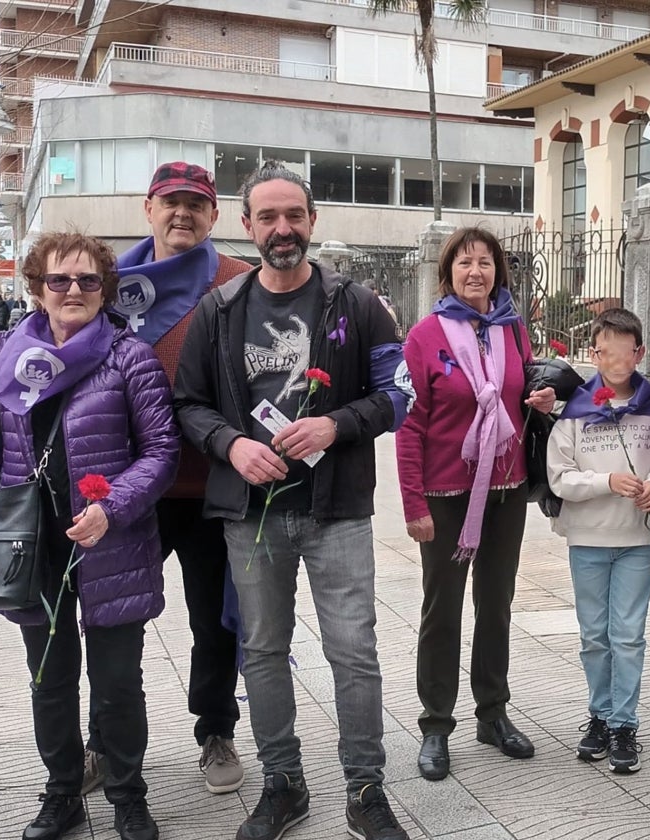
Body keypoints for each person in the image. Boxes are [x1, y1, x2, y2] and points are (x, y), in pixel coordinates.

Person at [174, 161, 411, 840]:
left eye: (294, 216)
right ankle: (283, 783)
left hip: (336, 508)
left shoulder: (358, 304)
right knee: (265, 650)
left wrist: (339, 423)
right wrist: (229, 444)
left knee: (353, 651)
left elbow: (399, 394)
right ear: (245, 226)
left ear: (313, 221)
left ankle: (366, 788)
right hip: (252, 515)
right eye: (268, 217)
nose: (283, 229)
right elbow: (186, 403)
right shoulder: (218, 312)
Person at [0, 231, 179, 840]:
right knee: (50, 677)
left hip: (111, 544)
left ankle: (127, 796)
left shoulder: (130, 357)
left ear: (106, 289)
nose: (73, 290)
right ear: (37, 289)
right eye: (59, 280)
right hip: (30, 547)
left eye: (88, 281)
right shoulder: (3, 359)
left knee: (118, 682)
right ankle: (63, 793)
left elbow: (160, 453)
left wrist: (112, 507)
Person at [75, 162, 252, 798]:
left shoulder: (240, 282)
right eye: (171, 203)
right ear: (147, 208)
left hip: (211, 486)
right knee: (114, 622)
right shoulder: (108, 283)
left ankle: (216, 729)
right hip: (125, 492)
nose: (183, 214)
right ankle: (106, 740)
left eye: (196, 205)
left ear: (215, 216)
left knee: (215, 619)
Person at [395, 227, 556, 783]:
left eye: (485, 263)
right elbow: (409, 424)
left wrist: (541, 400)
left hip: (506, 489)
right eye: (465, 263)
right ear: (448, 273)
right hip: (445, 495)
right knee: (442, 608)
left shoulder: (513, 329)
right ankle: (437, 723)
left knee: (497, 602)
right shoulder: (424, 335)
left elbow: (528, 393)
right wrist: (413, 502)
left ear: (498, 272)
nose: (476, 273)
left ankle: (493, 712)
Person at [546, 307, 650, 774]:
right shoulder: (575, 412)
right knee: (595, 634)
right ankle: (599, 715)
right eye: (605, 350)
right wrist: (606, 483)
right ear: (593, 354)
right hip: (587, 539)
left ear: (639, 352)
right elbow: (560, 478)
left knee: (628, 635)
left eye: (626, 350)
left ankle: (624, 724)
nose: (616, 360)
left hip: (637, 540)